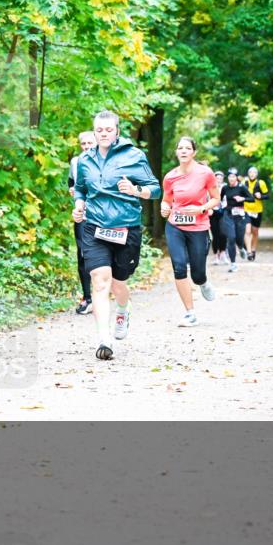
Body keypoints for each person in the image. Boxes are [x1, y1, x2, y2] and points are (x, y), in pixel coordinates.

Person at [72, 110, 161, 360]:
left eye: (108, 130)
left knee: (119, 282)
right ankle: (104, 339)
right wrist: (79, 206)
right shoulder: (84, 160)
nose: (103, 134)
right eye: (99, 130)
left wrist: (136, 190)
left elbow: (155, 190)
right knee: (100, 281)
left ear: (117, 131)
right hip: (94, 227)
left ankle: (123, 308)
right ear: (94, 131)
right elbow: (80, 189)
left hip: (126, 227)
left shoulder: (134, 155)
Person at [160, 137, 220, 326]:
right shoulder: (170, 177)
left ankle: (202, 282)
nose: (184, 151)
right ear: (177, 152)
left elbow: (216, 199)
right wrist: (164, 207)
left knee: (197, 273)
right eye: (180, 148)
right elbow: (167, 200)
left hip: (199, 227)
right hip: (175, 225)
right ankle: (190, 313)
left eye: (187, 148)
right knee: (179, 267)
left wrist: (201, 209)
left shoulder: (205, 173)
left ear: (194, 152)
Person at [68, 131, 96, 314]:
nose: (86, 146)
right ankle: (88, 298)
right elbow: (71, 182)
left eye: (89, 143)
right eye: (83, 143)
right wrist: (71, 189)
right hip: (83, 216)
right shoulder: (75, 162)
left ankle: (109, 292)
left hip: (105, 217)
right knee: (83, 256)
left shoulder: (107, 160)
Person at [219, 171, 254, 273]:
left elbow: (252, 199)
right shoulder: (225, 188)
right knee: (231, 237)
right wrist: (222, 204)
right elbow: (221, 199)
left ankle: (241, 247)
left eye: (233, 176)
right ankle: (233, 264)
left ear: (237, 178)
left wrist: (242, 198)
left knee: (239, 238)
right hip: (228, 214)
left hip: (239, 215)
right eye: (229, 176)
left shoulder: (242, 187)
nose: (231, 178)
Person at [243, 166, 269, 261]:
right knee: (247, 231)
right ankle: (249, 252)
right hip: (246, 210)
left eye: (254, 173)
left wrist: (261, 196)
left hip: (257, 210)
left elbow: (267, 195)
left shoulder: (261, 183)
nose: (252, 174)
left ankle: (253, 250)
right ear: (248, 174)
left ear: (257, 174)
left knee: (255, 231)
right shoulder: (244, 183)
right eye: (250, 172)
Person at [209, 170, 227, 265]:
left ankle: (223, 253)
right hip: (213, 212)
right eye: (217, 178)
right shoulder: (210, 187)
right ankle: (216, 256)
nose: (219, 180)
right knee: (215, 235)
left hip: (224, 211)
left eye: (220, 178)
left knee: (223, 234)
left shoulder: (226, 187)